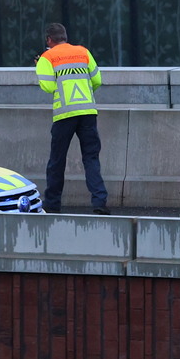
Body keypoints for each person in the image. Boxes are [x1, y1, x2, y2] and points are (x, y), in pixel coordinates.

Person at [35, 23, 108, 215]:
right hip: (88, 112)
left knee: (57, 160)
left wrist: (39, 67)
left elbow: (48, 87)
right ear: (65, 37)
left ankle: (52, 204)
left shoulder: (47, 57)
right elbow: (97, 80)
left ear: (49, 39)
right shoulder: (83, 52)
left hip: (65, 114)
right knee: (91, 158)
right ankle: (99, 202)